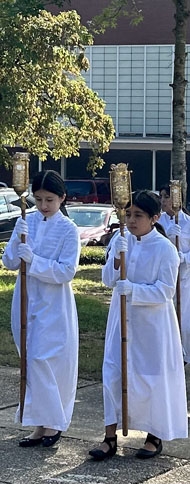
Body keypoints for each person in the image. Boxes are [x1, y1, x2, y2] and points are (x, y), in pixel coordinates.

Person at [90, 190, 186, 461]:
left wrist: (132, 289)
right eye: (128, 214)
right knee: (113, 373)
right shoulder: (122, 241)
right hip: (121, 321)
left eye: (138, 215)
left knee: (150, 377)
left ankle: (154, 434)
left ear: (155, 218)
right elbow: (108, 279)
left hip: (152, 325)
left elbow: (165, 291)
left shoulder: (165, 249)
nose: (131, 220)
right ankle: (110, 436)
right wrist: (117, 259)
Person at [3, 170, 80, 449]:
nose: (43, 205)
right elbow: (9, 262)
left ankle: (54, 421)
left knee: (46, 361)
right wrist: (17, 242)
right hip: (26, 299)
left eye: (49, 199)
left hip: (53, 303)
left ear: (62, 198)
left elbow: (67, 271)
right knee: (30, 361)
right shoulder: (26, 221)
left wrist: (34, 261)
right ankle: (37, 422)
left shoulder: (68, 229)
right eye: (38, 199)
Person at [158, 184, 190, 365]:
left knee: (184, 314)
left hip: (183, 276)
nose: (163, 201)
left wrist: (184, 257)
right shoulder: (158, 222)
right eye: (162, 197)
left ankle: (185, 353)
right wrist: (166, 238)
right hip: (162, 274)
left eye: (167, 197)